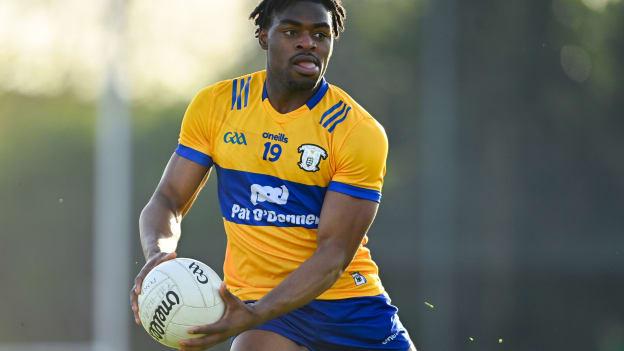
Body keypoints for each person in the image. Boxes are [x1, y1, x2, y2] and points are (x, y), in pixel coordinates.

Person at [130, 0, 416, 350]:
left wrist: (258, 312)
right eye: (292, 31)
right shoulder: (218, 106)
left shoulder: (356, 131)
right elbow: (168, 199)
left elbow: (334, 255)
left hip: (349, 307)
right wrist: (159, 254)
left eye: (320, 34)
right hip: (268, 314)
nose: (307, 43)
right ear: (264, 36)